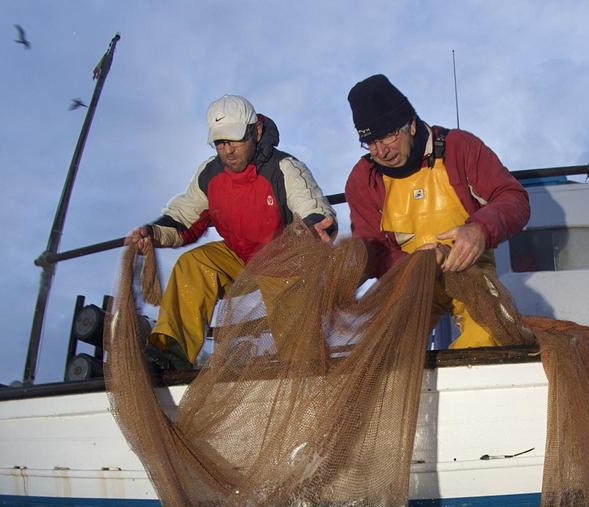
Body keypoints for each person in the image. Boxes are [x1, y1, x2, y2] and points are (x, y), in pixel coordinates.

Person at [126, 94, 336, 368]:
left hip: (282, 260)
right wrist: (152, 232)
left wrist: (316, 224)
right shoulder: (210, 174)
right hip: (238, 255)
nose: (228, 150)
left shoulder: (285, 168)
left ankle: (302, 366)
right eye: (220, 142)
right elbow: (184, 219)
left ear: (256, 131)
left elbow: (311, 207)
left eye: (235, 139)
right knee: (193, 264)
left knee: (300, 350)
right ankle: (171, 351)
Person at [343, 74, 529, 349]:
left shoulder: (460, 147)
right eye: (371, 143)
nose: (381, 151)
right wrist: (420, 264)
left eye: (389, 136)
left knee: (488, 337)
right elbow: (372, 250)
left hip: (470, 270)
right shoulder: (363, 179)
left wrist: (480, 229)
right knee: (381, 346)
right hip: (409, 279)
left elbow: (514, 199)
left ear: (412, 125)